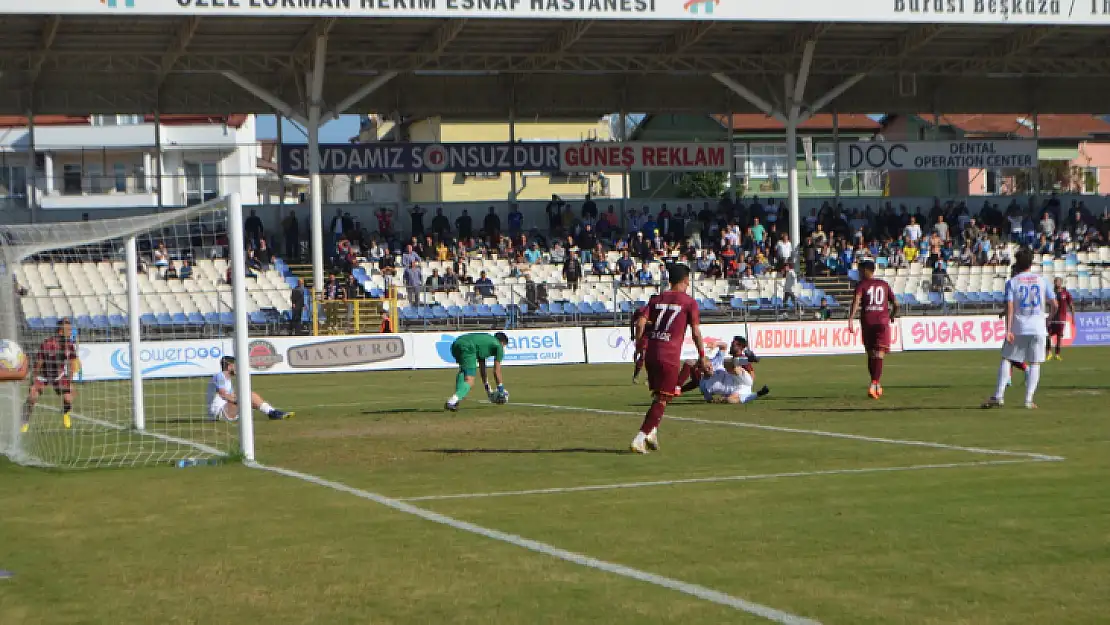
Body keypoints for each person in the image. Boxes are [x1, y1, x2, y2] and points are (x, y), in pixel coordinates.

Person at [630, 264, 708, 455]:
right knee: (664, 398)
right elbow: (696, 332)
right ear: (683, 281)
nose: (688, 286)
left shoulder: (656, 299)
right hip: (669, 354)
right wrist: (703, 356)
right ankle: (640, 437)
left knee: (662, 395)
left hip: (652, 352)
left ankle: (652, 433)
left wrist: (640, 345)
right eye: (687, 282)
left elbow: (640, 322)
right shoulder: (689, 302)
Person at [983, 248, 1056, 410]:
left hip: (1019, 327)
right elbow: (1055, 304)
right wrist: (1048, 319)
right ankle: (1028, 400)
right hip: (1038, 327)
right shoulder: (1042, 280)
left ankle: (999, 396)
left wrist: (1008, 329)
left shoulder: (1013, 282)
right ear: (1031, 263)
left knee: (1007, 358)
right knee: (1035, 362)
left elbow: (1010, 306)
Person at [848, 259, 898, 399]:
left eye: (859, 271)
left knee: (871, 354)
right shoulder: (884, 285)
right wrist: (891, 316)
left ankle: (875, 384)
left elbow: (856, 301)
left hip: (867, 321)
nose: (858, 273)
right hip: (882, 322)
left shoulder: (861, 285)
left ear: (865, 271)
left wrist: (851, 319)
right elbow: (896, 304)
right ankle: (875, 383)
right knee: (879, 354)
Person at [21, 318, 80, 432]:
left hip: (59, 376)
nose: (70, 331)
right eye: (68, 329)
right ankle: (24, 421)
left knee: (69, 397)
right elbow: (39, 363)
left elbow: (72, 362)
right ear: (60, 331)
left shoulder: (69, 344)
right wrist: (34, 379)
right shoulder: (47, 343)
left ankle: (66, 413)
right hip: (43, 376)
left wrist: (70, 380)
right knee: (32, 397)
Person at [207, 356, 292, 422]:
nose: (237, 368)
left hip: (223, 410)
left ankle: (272, 412)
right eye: (235, 365)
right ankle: (272, 412)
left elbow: (230, 396)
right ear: (229, 366)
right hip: (218, 411)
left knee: (246, 396)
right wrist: (241, 401)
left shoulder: (227, 379)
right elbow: (223, 395)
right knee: (247, 395)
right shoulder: (220, 376)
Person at [444, 332, 510, 412]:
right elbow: (496, 371)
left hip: (456, 344)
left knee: (463, 371)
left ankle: (456, 399)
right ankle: (452, 401)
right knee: (470, 380)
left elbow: (482, 367)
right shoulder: (498, 346)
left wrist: (487, 388)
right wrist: (501, 389)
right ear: (502, 343)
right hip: (468, 347)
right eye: (504, 346)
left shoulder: (486, 342)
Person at [1046, 277, 1074, 361]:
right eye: (1055, 281)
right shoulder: (1052, 293)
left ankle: (1057, 354)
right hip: (1053, 317)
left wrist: (1073, 317)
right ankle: (1049, 353)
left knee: (1059, 337)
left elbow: (1071, 305)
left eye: (1058, 281)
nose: (1057, 283)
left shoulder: (1066, 293)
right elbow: (1048, 302)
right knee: (1048, 335)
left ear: (1061, 283)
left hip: (1061, 318)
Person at [630, 304, 649, 385]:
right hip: (643, 336)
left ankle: (649, 378)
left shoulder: (658, 310)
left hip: (652, 335)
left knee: (652, 359)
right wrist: (632, 334)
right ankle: (636, 376)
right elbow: (632, 321)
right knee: (643, 356)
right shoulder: (641, 310)